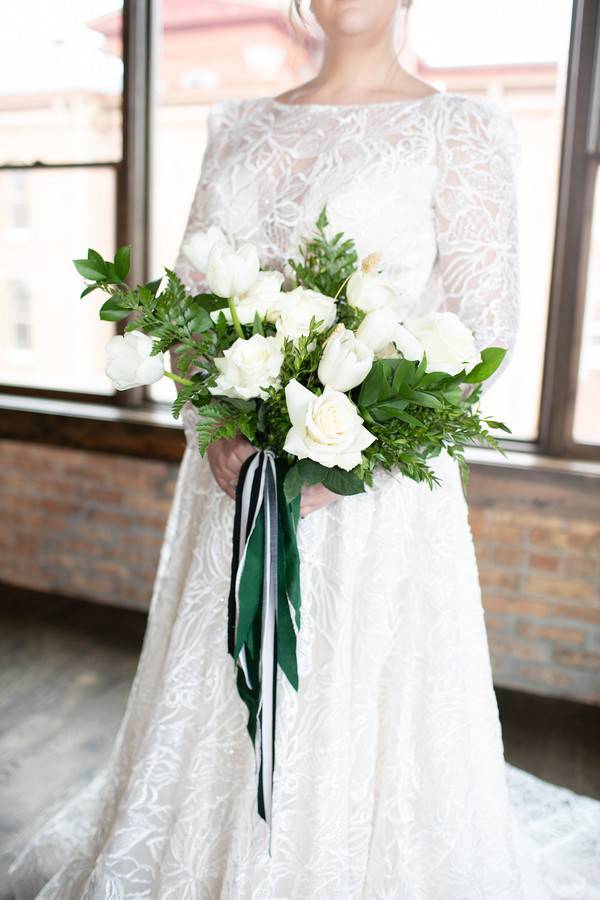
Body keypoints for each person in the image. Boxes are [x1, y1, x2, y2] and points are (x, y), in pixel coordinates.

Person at [8, 1, 600, 898]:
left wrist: (351, 456)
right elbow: (191, 299)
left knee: (347, 700)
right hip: (233, 478)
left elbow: (485, 329)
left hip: (371, 500)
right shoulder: (238, 124)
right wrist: (214, 418)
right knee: (216, 699)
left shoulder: (458, 128)